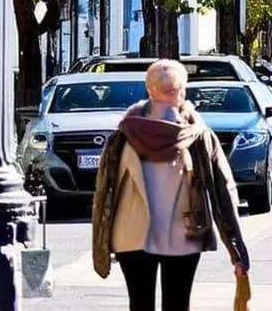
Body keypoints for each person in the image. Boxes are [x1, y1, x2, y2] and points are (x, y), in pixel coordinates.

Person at [92, 59, 249, 311]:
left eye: (173, 89)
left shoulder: (128, 135)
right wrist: (237, 251)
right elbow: (224, 191)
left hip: (157, 236)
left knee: (153, 303)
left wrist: (236, 250)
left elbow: (103, 194)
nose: (176, 95)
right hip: (159, 237)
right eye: (174, 90)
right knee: (163, 303)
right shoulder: (194, 135)